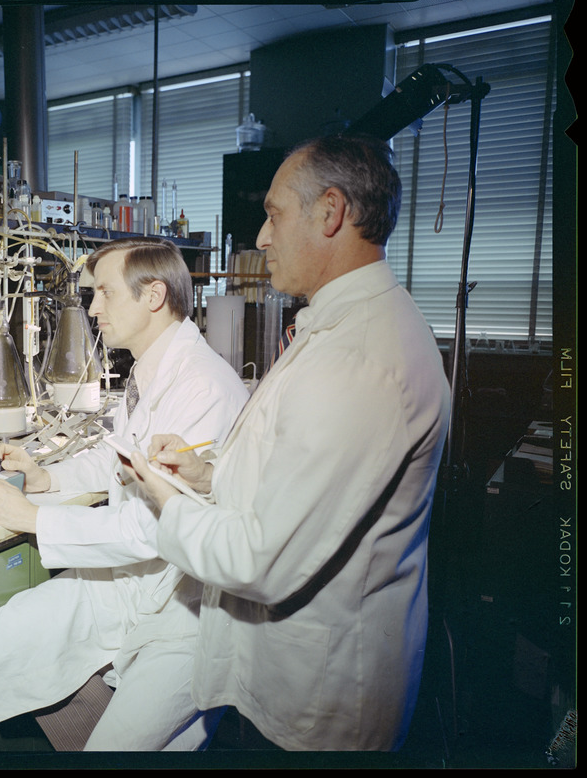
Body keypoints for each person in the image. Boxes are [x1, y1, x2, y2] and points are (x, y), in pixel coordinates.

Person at [126, 134, 451, 752]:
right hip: (298, 676)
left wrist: (163, 500)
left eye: (274, 214)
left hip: (321, 706)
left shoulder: (360, 360)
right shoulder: (342, 324)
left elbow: (261, 560)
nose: (262, 237)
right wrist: (206, 473)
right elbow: (298, 469)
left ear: (331, 212)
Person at [0, 238, 250, 751]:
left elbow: (153, 528)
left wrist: (31, 517)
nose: (92, 309)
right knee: (7, 635)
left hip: (186, 614)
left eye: (106, 294)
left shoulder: (204, 388)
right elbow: (116, 460)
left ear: (153, 295)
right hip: (138, 585)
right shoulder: (151, 369)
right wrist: (47, 478)